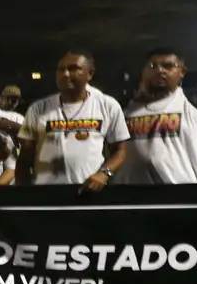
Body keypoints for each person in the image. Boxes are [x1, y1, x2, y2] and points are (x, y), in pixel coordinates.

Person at [16, 49, 129, 190]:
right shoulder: (38, 108)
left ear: (90, 73)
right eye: (61, 69)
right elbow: (24, 158)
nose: (65, 74)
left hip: (88, 191)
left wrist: (104, 174)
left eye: (73, 69)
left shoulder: (107, 105)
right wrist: (23, 193)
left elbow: (121, 151)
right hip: (45, 192)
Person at [116, 48, 197, 184]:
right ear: (144, 72)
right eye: (153, 66)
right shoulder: (122, 107)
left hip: (182, 194)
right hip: (129, 195)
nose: (160, 70)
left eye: (168, 66)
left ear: (182, 72)